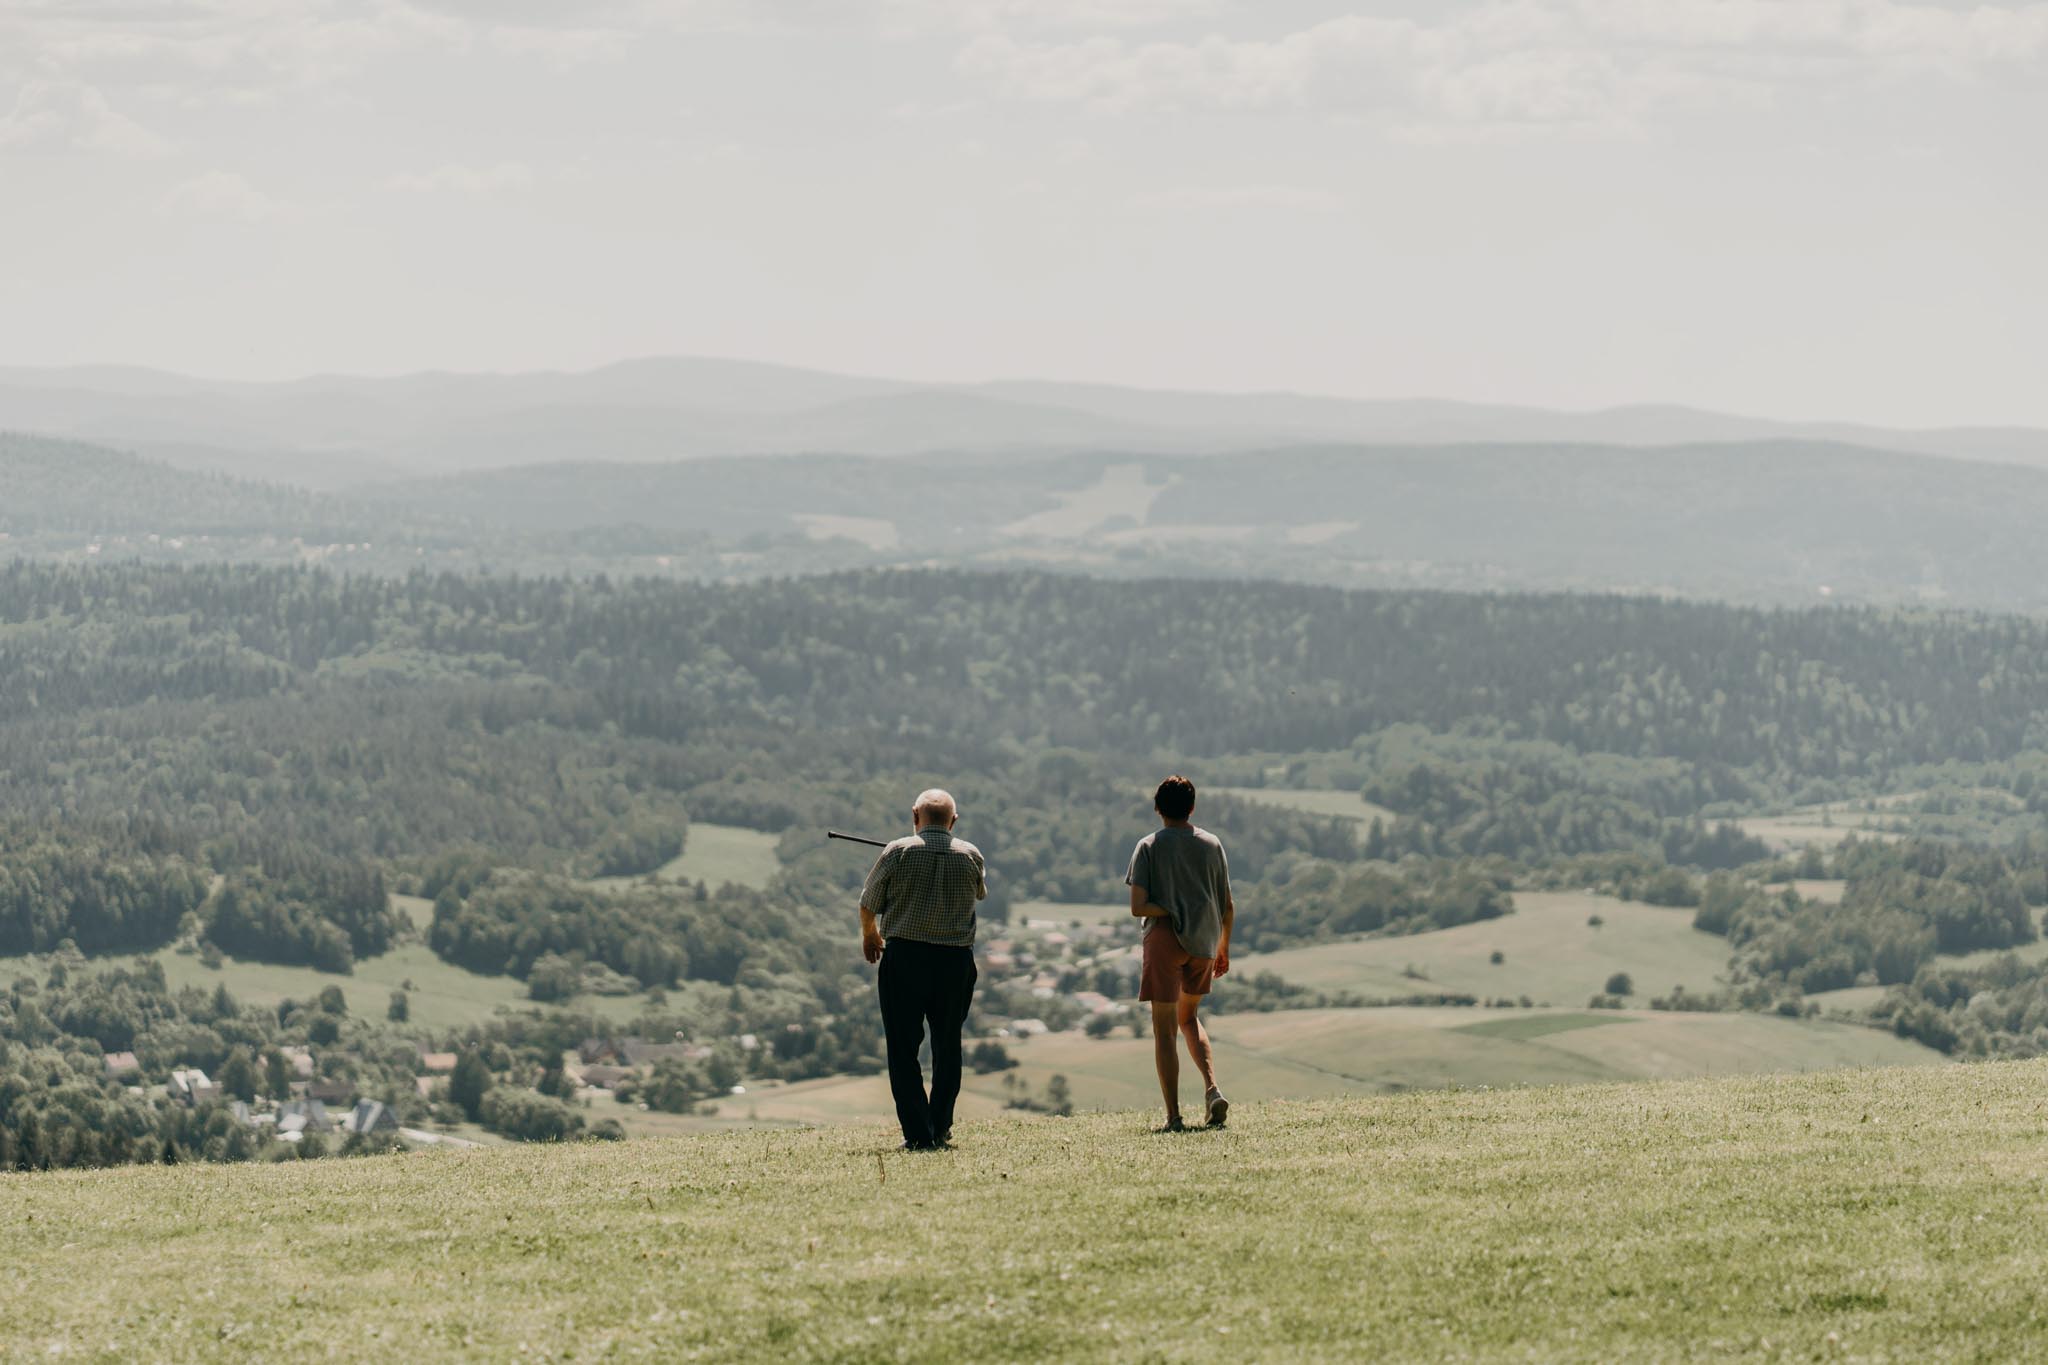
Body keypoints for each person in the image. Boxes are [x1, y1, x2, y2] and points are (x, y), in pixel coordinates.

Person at [860, 788, 987, 1151]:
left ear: (915, 816)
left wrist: (870, 937)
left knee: (903, 1049)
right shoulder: (971, 856)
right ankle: (940, 1126)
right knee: (948, 1045)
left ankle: (917, 1133)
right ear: (954, 821)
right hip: (955, 961)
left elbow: (868, 902)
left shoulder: (897, 851)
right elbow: (980, 893)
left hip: (905, 959)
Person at [1126, 775, 1234, 1132]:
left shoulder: (1148, 847)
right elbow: (1227, 905)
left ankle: (1173, 1117)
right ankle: (1212, 1088)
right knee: (1189, 1019)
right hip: (1204, 942)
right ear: (1192, 807)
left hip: (1164, 942)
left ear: (1157, 808)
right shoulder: (1212, 844)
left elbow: (1138, 907)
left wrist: (1170, 909)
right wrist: (1223, 948)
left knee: (1163, 1031)